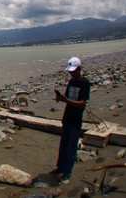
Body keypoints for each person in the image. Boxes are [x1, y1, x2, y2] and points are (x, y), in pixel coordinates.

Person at [53, 56, 90, 184]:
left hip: (75, 119)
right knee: (63, 144)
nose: (71, 73)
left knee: (71, 146)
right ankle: (60, 168)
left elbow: (82, 104)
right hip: (67, 116)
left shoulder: (84, 83)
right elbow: (68, 98)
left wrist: (66, 100)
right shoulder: (71, 82)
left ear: (79, 69)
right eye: (70, 71)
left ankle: (67, 172)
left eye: (73, 71)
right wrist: (61, 98)